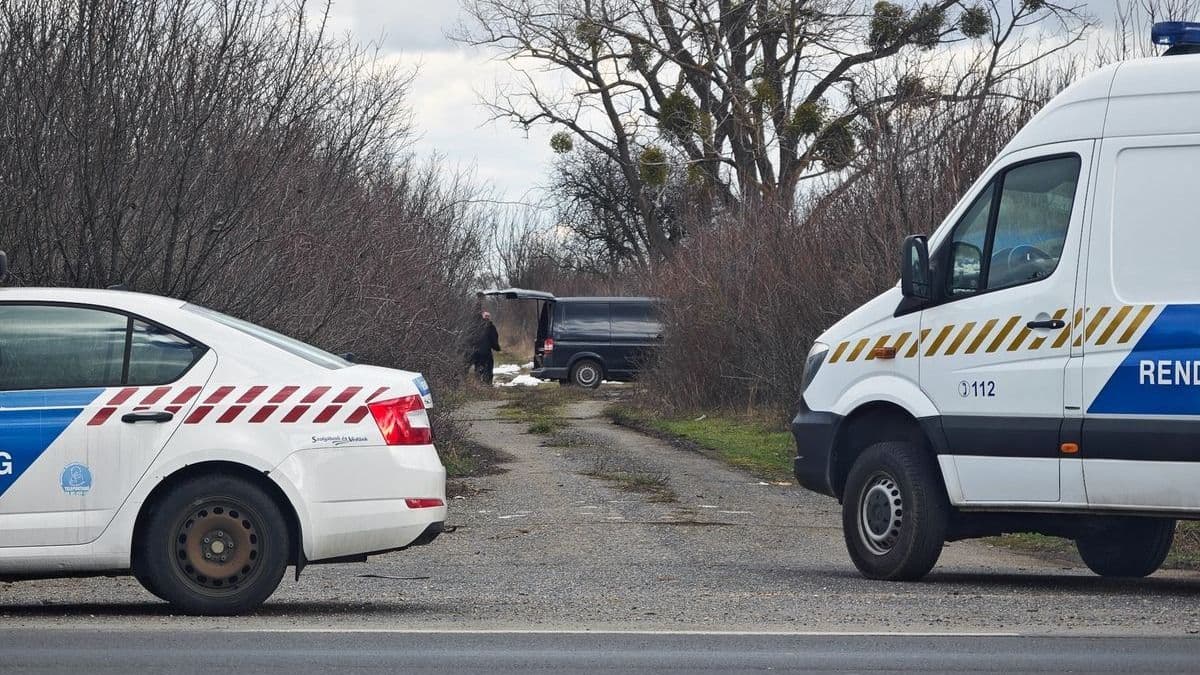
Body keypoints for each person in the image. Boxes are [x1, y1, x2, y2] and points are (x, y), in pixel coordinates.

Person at [471, 310, 501, 384]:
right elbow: (494, 339)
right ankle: (487, 384)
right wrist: (497, 348)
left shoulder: (475, 326)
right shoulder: (491, 327)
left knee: (478, 367)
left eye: (488, 316)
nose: (487, 317)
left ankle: (478, 383)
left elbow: (471, 338)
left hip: (476, 352)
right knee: (488, 368)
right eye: (486, 316)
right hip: (486, 352)